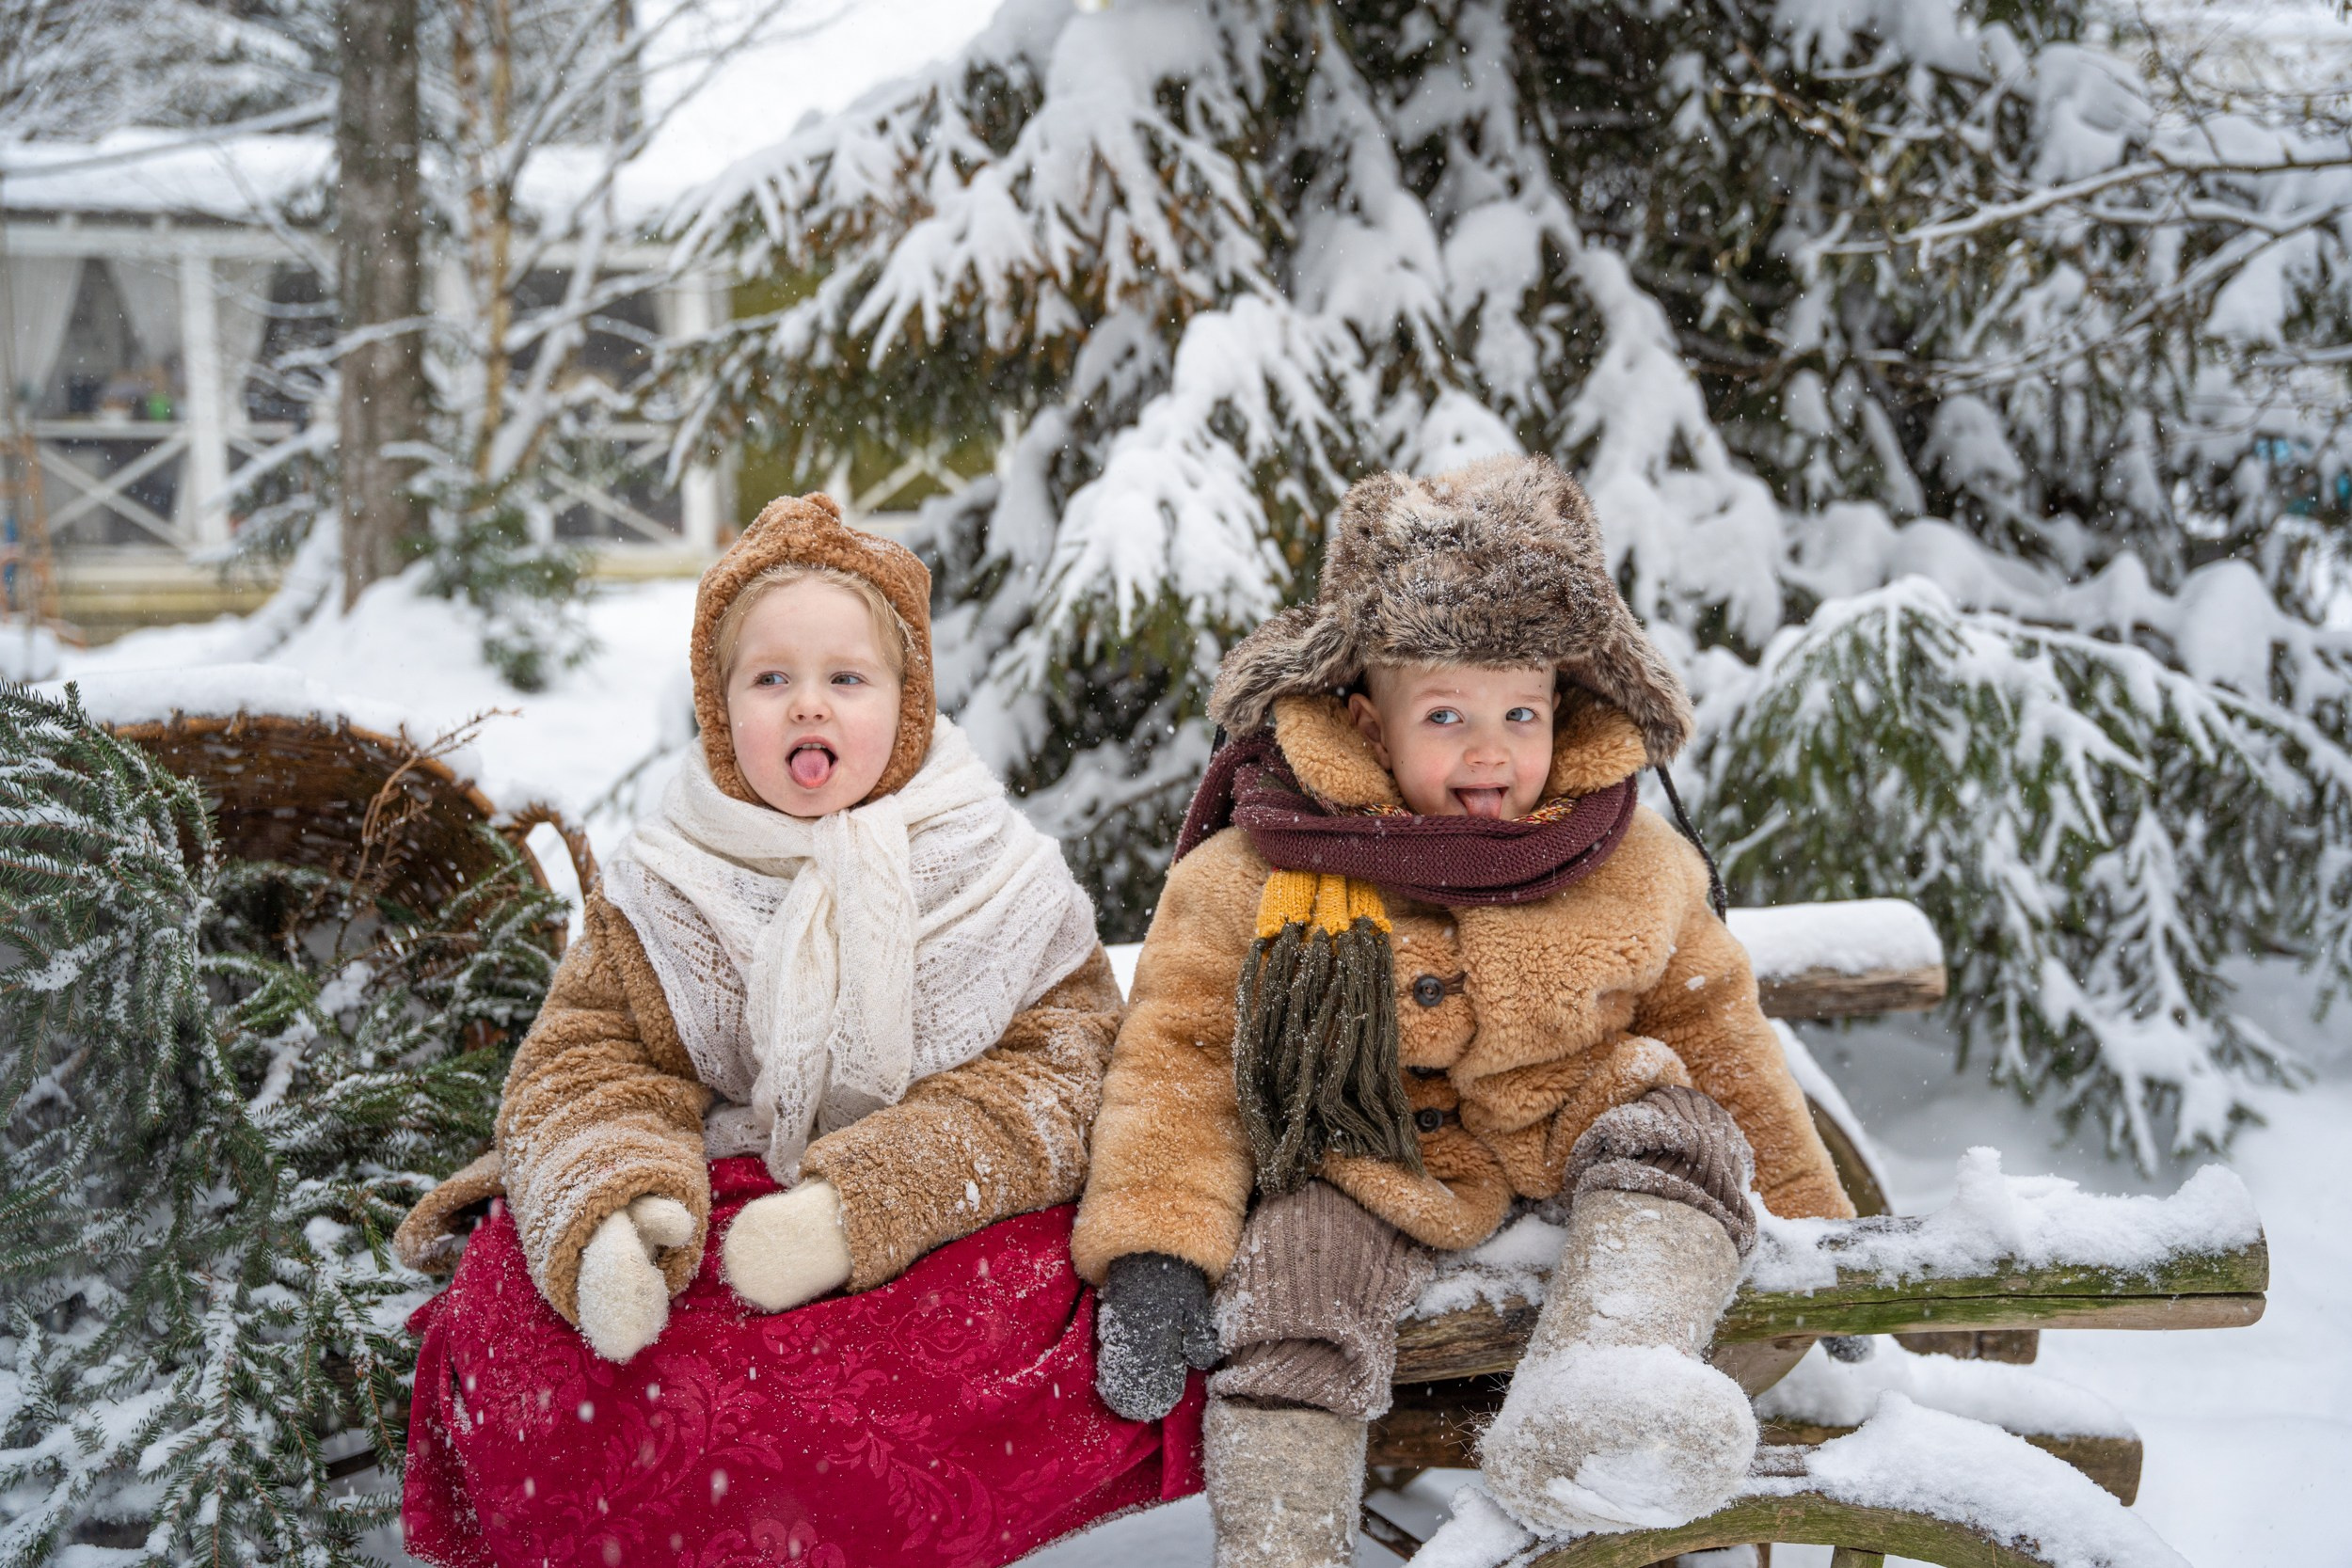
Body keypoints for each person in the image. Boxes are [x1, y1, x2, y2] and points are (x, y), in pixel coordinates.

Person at [1073, 455, 1856, 1566]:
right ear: (1365, 717)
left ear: (1565, 707)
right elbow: (1183, 1064)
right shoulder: (1252, 871)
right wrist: (1158, 1250)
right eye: (1445, 712)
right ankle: (1281, 1537)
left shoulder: (1633, 858)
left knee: (1679, 1129)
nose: (1490, 749)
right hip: (1367, 1157)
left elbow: (1717, 1030)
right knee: (1291, 1270)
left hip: (1575, 1129)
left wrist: (1826, 1244)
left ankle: (1594, 1391)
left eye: (1520, 711)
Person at [393, 494, 1201, 1568]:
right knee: (551, 1347)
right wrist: (620, 1208)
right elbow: (587, 1057)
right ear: (718, 705)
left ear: (905, 704)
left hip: (934, 1215)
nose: (806, 706)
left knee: (882, 1390)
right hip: (717, 1187)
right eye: (770, 678)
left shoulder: (993, 866)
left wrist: (864, 1203)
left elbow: (1060, 1072)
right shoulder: (668, 875)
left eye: (845, 678)